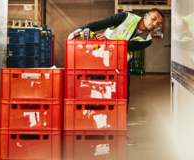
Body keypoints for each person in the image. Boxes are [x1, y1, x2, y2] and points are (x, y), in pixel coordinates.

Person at [68, 8, 165, 146]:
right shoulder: (125, 17)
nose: (154, 23)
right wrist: (78, 31)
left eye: (158, 23)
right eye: (154, 18)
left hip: (121, 68)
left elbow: (125, 46)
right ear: (145, 16)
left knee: (121, 101)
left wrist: (107, 41)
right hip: (101, 61)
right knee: (97, 96)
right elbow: (100, 23)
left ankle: (120, 134)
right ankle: (92, 131)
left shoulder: (147, 40)